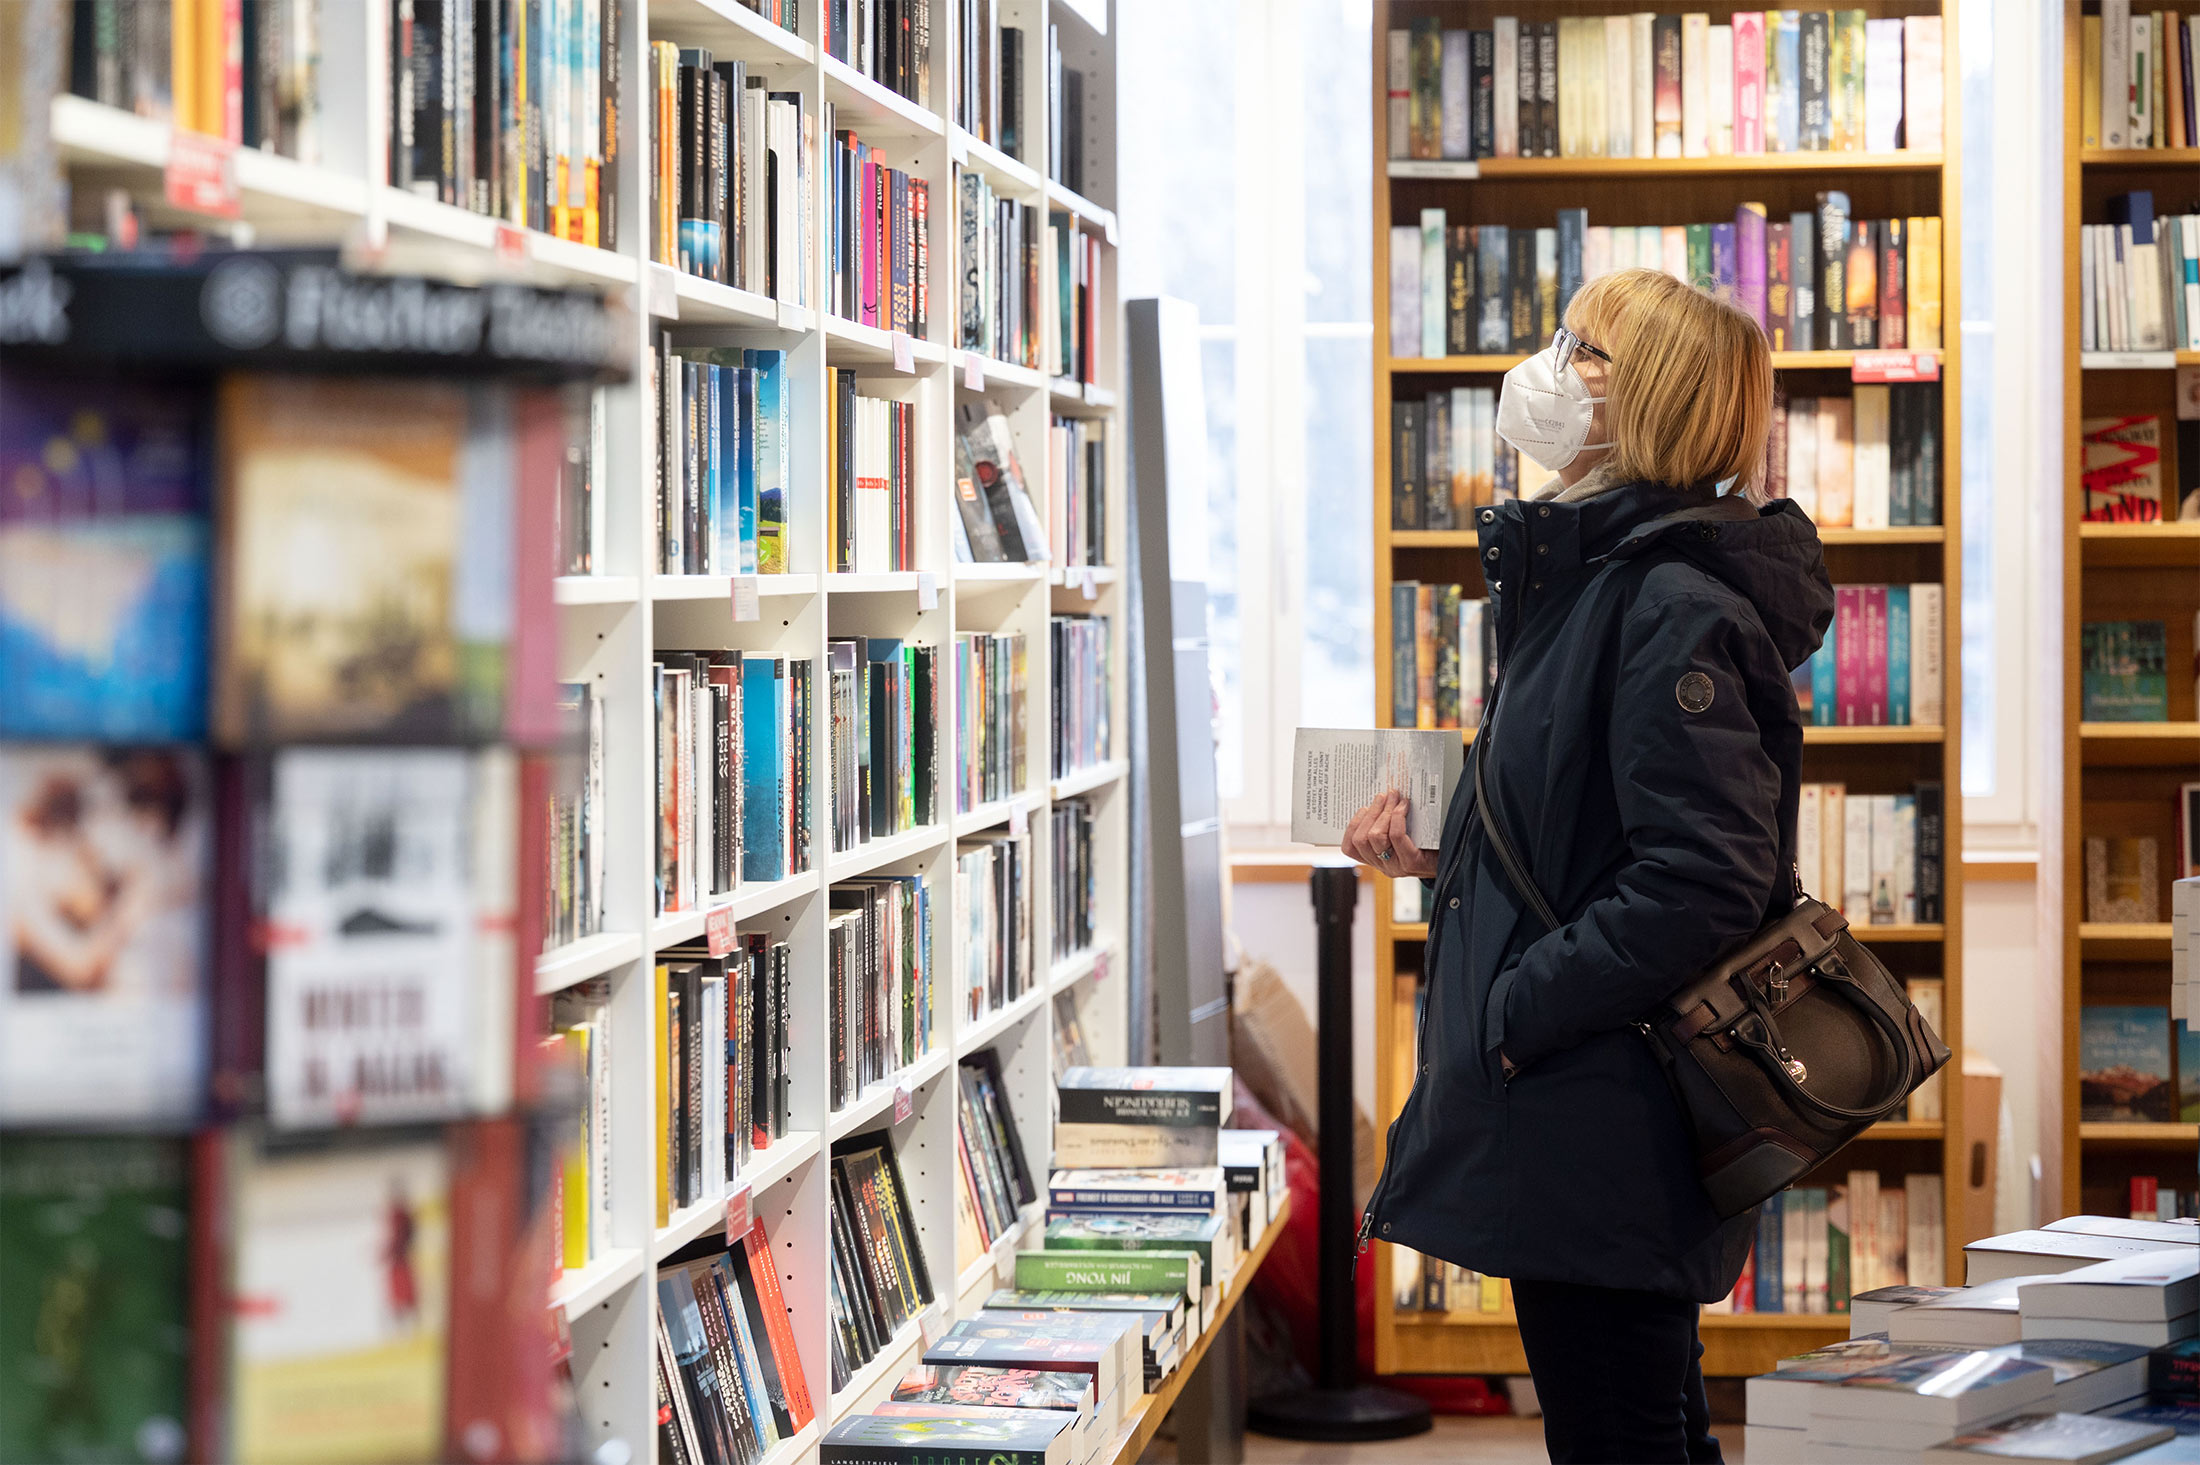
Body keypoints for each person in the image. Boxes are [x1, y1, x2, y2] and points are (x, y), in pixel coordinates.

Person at [1347, 269, 1834, 1464]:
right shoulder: (1596, 582)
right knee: (1651, 1425)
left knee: (1619, 1436)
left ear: (1641, 400)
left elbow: (1703, 878)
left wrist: (1518, 1010)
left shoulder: (1666, 602)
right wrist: (1441, 849)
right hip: (1584, 1106)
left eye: (1579, 346)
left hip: (1601, 1110)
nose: (1547, 362)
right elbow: (1589, 828)